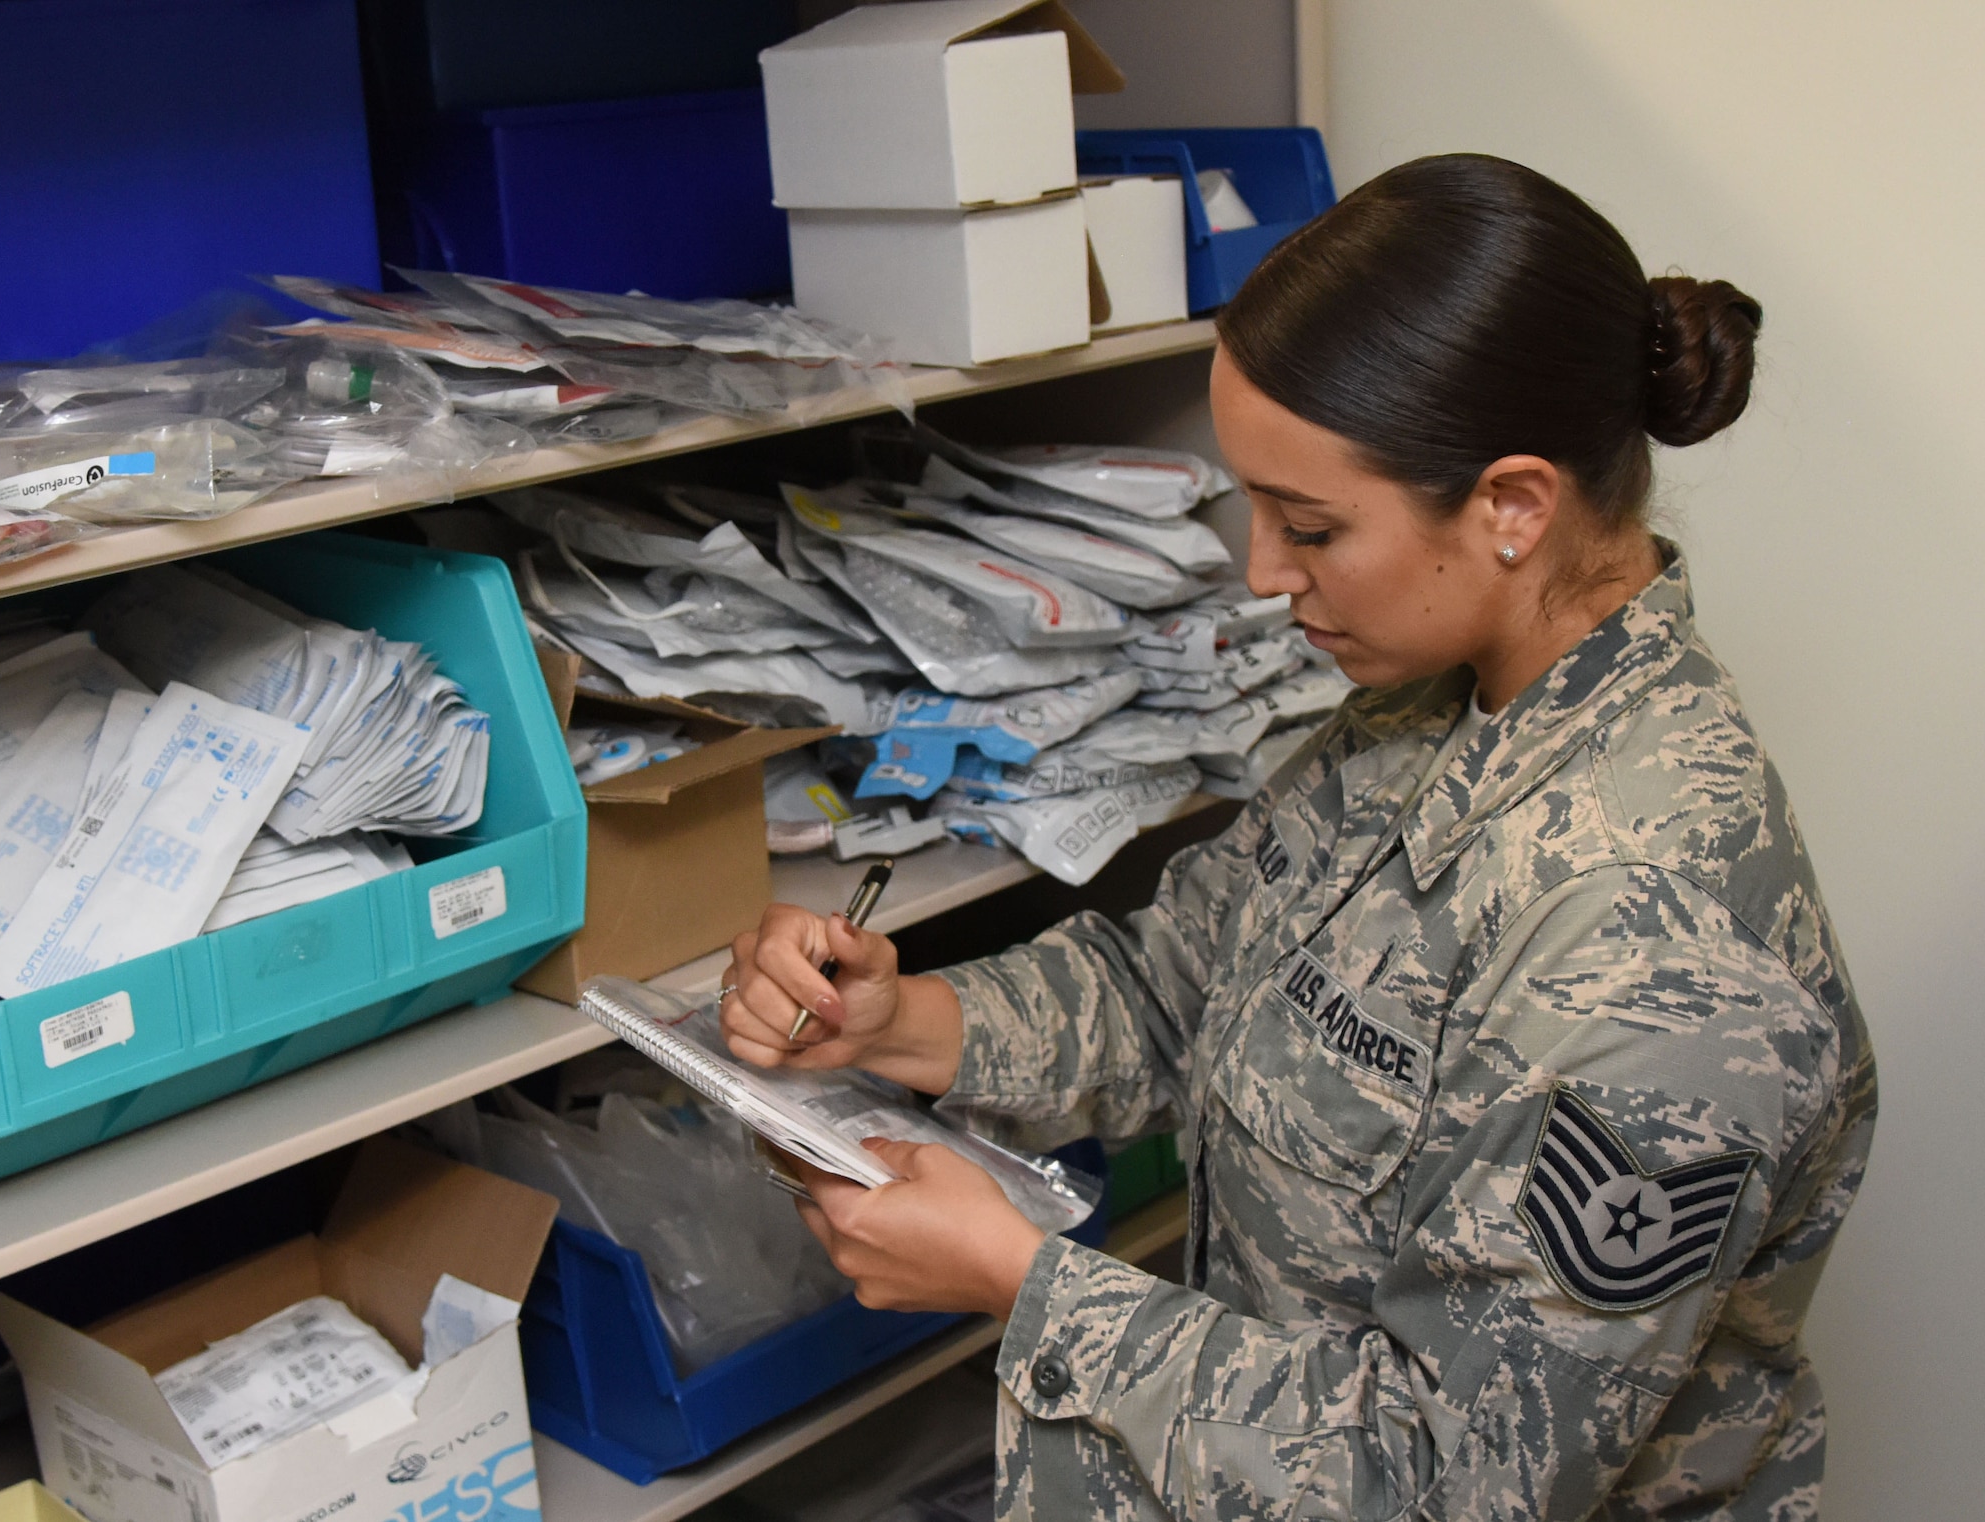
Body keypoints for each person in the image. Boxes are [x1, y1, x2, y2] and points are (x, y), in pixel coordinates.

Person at [720, 154, 1876, 1521]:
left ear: (1512, 505)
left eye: (1311, 524)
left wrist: (1022, 1281)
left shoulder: (1657, 944)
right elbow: (1180, 982)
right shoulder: (1418, 713)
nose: (1264, 573)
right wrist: (900, 1019)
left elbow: (1452, 1479)